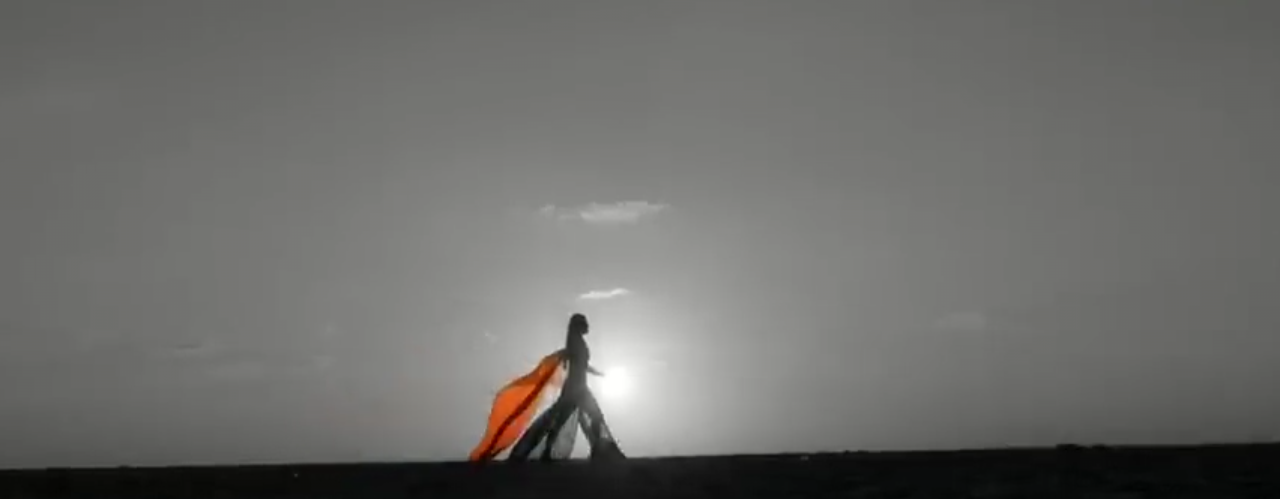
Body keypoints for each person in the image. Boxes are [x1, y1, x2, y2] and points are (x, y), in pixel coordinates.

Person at [508, 313, 625, 461]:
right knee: (576, 418)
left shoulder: (578, 342)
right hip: (575, 388)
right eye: (584, 323)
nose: (587, 326)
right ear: (578, 325)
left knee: (574, 418)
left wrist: (597, 373)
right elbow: (573, 361)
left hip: (580, 387)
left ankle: (593, 449)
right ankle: (547, 451)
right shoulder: (575, 342)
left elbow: (581, 365)